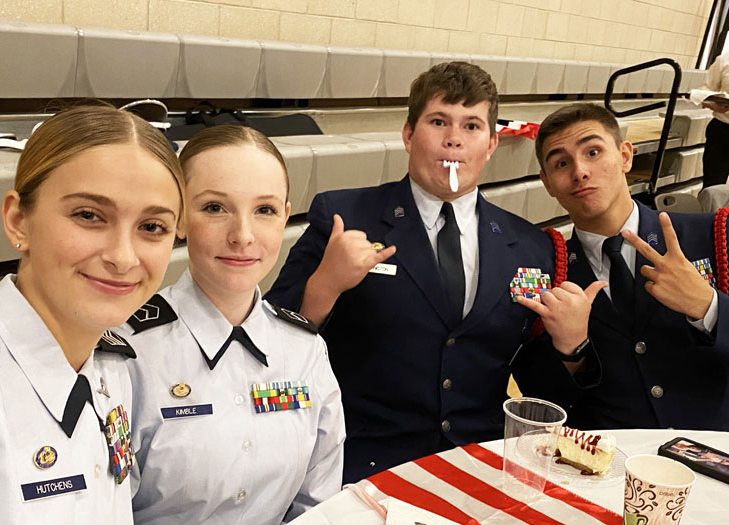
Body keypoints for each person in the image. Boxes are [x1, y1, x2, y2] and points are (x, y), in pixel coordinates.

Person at [265, 62, 576, 484]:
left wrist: (573, 347)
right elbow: (271, 351)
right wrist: (323, 287)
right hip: (362, 463)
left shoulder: (531, 247)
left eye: (471, 126)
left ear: (491, 144)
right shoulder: (343, 216)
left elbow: (537, 385)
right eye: (438, 121)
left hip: (480, 466)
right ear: (409, 135)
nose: (454, 139)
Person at [0, 105, 185, 525]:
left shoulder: (114, 366)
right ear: (18, 220)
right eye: (89, 216)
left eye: (152, 227)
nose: (123, 257)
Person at [125, 125, 345, 525]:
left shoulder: (304, 351)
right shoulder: (127, 353)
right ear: (179, 217)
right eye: (214, 207)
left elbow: (316, 507)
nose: (243, 235)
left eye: (264, 210)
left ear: (285, 216)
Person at [521, 103, 729, 430]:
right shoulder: (549, 270)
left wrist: (709, 306)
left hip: (713, 449)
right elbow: (542, 403)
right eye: (561, 163)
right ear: (547, 183)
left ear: (625, 157)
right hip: (607, 456)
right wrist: (571, 350)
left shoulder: (714, 236)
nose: (580, 171)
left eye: (593, 152)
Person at [702, 49, 729, 188]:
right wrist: (713, 104)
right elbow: (706, 92)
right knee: (712, 186)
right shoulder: (724, 60)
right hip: (722, 130)